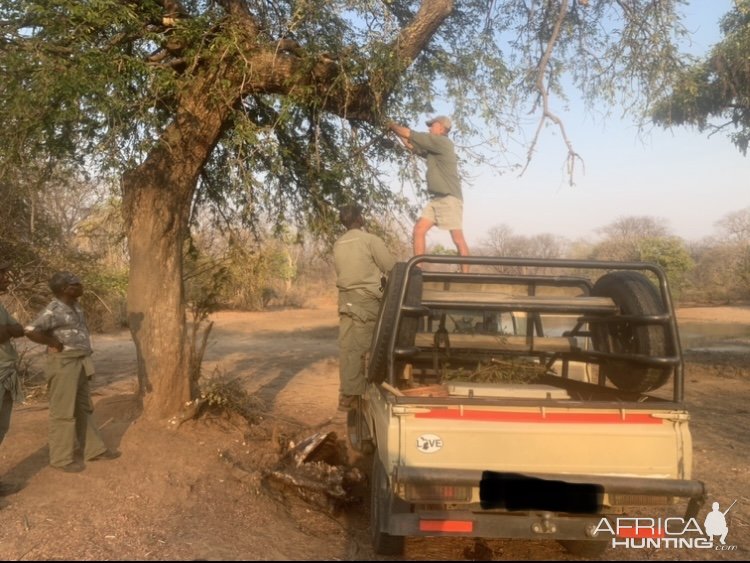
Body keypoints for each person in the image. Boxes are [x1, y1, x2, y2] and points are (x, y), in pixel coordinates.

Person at [24, 271, 120, 472]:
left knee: (84, 407)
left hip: (80, 361)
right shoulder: (53, 310)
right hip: (63, 363)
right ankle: (60, 458)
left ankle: (93, 450)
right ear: (64, 289)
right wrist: (52, 342)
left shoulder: (76, 307)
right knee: (63, 411)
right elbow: (31, 330)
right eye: (75, 284)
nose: (80, 286)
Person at [387, 115, 471, 272]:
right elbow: (410, 145)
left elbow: (410, 134)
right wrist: (395, 132)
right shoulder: (433, 149)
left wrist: (391, 125)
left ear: (440, 127)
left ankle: (466, 276)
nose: (429, 128)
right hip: (436, 199)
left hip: (449, 198)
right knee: (419, 230)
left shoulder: (442, 142)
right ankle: (417, 271)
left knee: (457, 239)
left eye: (432, 125)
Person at [333, 204, 396, 410]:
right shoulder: (370, 240)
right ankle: (359, 395)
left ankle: (347, 394)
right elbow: (391, 268)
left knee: (347, 347)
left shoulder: (339, 243)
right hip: (366, 302)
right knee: (366, 350)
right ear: (359, 219)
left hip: (345, 301)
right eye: (362, 215)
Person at [0, 259, 26, 495]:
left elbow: (19, 329)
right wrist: (8, 331)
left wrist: (7, 331)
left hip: (5, 373)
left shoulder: (0, 306)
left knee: (2, 428)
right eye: (3, 274)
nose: (7, 278)